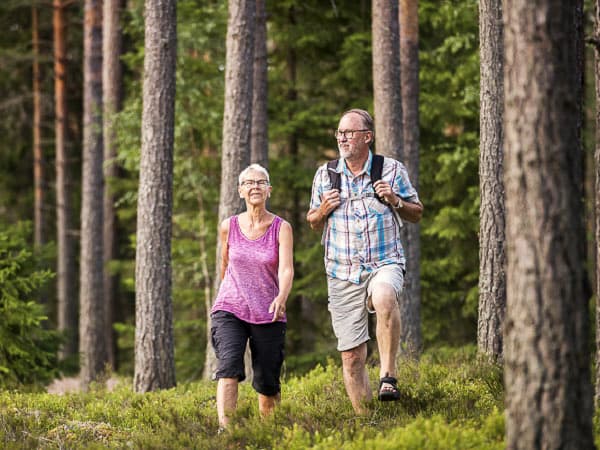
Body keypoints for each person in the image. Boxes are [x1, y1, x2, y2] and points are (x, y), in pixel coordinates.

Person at [306, 109, 423, 414]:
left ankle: (388, 376)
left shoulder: (391, 170)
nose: (342, 138)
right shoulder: (326, 174)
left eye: (349, 133)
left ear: (367, 137)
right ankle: (368, 422)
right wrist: (322, 211)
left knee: (384, 296)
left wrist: (396, 201)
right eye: (339, 133)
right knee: (352, 358)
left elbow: (417, 212)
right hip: (342, 272)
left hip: (384, 261)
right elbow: (313, 222)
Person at [211, 163, 294, 429]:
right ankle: (228, 434)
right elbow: (225, 265)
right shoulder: (229, 226)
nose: (255, 187)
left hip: (269, 310)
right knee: (229, 368)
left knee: (267, 384)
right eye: (249, 183)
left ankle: (267, 436)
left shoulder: (281, 228)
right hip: (230, 307)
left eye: (260, 182)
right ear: (240, 191)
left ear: (269, 190)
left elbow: (286, 268)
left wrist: (282, 296)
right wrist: (229, 292)